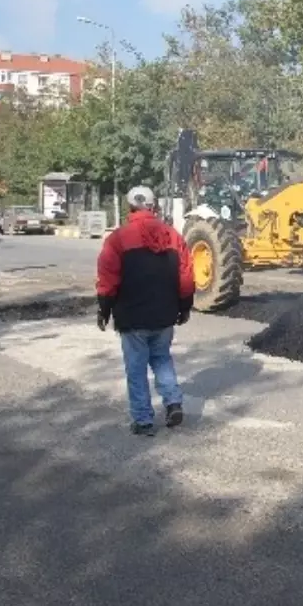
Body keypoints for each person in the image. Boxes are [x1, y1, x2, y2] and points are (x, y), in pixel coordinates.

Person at [95, 185, 195, 436]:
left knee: (136, 367)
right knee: (162, 358)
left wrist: (104, 310)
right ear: (154, 207)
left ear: (129, 207)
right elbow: (186, 277)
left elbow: (108, 279)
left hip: (132, 316)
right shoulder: (172, 236)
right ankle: (173, 402)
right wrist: (184, 307)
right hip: (164, 314)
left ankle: (143, 420)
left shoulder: (118, 239)